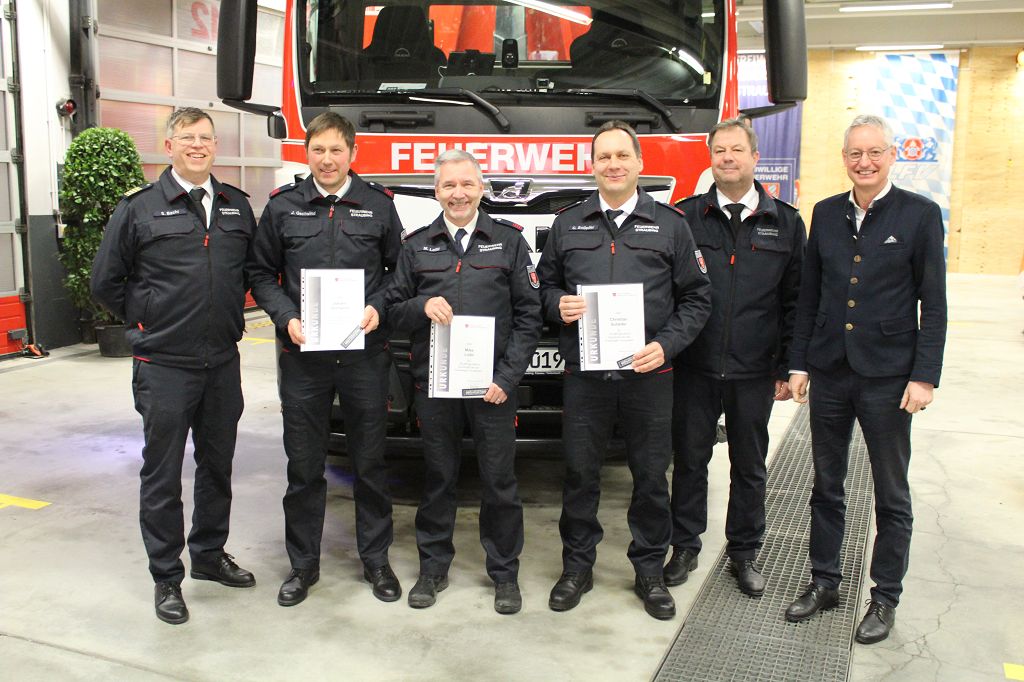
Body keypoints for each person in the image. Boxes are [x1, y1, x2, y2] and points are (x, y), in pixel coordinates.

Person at [537, 121, 711, 620]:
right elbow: (541, 287)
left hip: (648, 377)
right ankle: (577, 568)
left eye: (621, 156)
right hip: (586, 378)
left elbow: (697, 297)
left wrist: (666, 346)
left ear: (639, 163)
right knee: (579, 474)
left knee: (651, 477)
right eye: (603, 157)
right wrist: (557, 305)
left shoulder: (671, 225)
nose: (612, 165)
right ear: (591, 166)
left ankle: (650, 570)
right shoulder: (568, 224)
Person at [784, 114, 947, 644]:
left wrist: (924, 377)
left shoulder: (920, 215)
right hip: (831, 372)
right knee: (826, 486)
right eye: (855, 153)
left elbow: (934, 304)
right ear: (844, 158)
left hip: (888, 377)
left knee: (891, 494)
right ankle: (824, 581)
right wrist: (799, 362)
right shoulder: (826, 213)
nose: (865, 162)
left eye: (875, 152)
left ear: (892, 156)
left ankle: (885, 597)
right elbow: (810, 295)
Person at [91, 107, 257, 625]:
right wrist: (146, 319)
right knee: (162, 474)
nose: (197, 146)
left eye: (205, 137)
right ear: (168, 146)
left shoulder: (236, 206)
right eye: (187, 138)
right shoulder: (139, 208)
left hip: (222, 361)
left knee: (217, 465)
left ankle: (208, 554)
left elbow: (251, 271)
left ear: (216, 145)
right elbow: (105, 281)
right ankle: (166, 576)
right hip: (164, 363)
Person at [247, 112, 404, 607]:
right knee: (304, 465)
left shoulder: (378, 205)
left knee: (370, 462)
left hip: (364, 358)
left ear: (352, 153)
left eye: (337, 150)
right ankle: (303, 565)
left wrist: (378, 307)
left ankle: (376, 560)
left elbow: (399, 273)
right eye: (319, 150)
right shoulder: (283, 207)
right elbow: (260, 273)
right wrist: (285, 317)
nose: (328, 159)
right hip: (303, 359)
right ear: (307, 153)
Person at [385, 149, 541, 614]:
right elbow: (391, 311)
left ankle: (505, 574)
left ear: (481, 189)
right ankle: (433, 569)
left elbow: (529, 315)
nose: (458, 194)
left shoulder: (508, 241)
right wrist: (421, 306)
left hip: (493, 388)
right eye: (449, 185)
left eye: (467, 184)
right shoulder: (416, 245)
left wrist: (507, 378)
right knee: (438, 479)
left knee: (499, 481)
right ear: (436, 192)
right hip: (435, 387)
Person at [666, 118, 805, 596]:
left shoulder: (785, 222)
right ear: (711, 158)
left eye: (737, 150)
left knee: (750, 466)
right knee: (689, 461)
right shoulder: (685, 218)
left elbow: (796, 301)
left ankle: (744, 553)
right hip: (694, 367)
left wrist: (787, 366)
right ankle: (684, 546)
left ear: (755, 157)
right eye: (719, 150)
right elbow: (669, 293)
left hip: (754, 370)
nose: (727, 158)